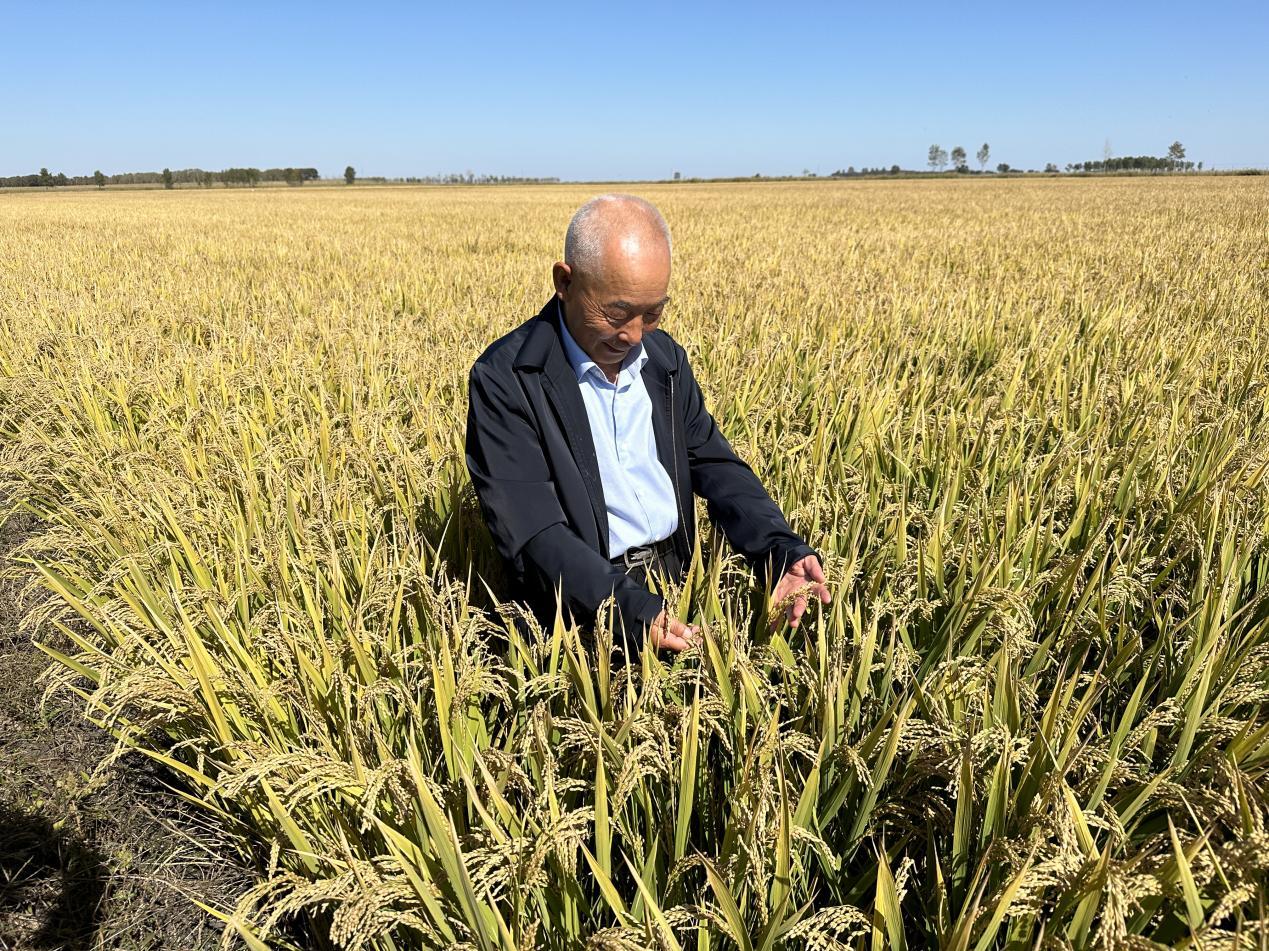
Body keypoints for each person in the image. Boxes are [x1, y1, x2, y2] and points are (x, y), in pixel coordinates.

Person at [465, 194, 829, 652]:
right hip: (585, 618)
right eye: (616, 313)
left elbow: (715, 465)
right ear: (565, 281)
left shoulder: (663, 361)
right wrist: (628, 609)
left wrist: (780, 550)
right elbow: (534, 533)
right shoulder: (509, 379)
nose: (634, 335)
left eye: (652, 313)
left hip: (679, 589)